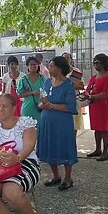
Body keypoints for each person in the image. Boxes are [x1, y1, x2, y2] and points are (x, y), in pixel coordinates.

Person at [37, 56, 78, 190]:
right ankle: (56, 176)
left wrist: (51, 106)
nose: (49, 68)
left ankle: (68, 178)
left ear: (60, 68)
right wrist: (43, 105)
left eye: (52, 66)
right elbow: (41, 100)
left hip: (62, 122)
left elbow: (70, 107)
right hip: (47, 121)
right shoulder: (47, 82)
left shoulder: (69, 85)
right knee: (50, 146)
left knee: (64, 147)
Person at [83, 53, 108, 161]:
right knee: (96, 128)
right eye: (94, 63)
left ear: (104, 63)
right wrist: (86, 95)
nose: (95, 65)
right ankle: (98, 149)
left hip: (103, 106)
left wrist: (92, 96)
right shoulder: (93, 77)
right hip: (94, 105)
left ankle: (105, 151)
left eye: (98, 62)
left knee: (104, 129)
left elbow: (106, 94)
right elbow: (88, 90)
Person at [16, 57, 46, 124]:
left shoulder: (42, 78)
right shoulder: (23, 79)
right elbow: (19, 95)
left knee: (40, 129)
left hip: (40, 108)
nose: (33, 66)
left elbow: (46, 92)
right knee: (28, 129)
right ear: (28, 66)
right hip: (27, 108)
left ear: (38, 66)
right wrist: (32, 92)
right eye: (31, 65)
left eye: (35, 64)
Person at [62, 52, 85, 135]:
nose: (66, 59)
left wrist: (66, 85)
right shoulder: (59, 72)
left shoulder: (76, 71)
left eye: (68, 57)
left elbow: (81, 85)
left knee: (74, 124)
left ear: (71, 59)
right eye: (64, 58)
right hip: (62, 100)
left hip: (74, 99)